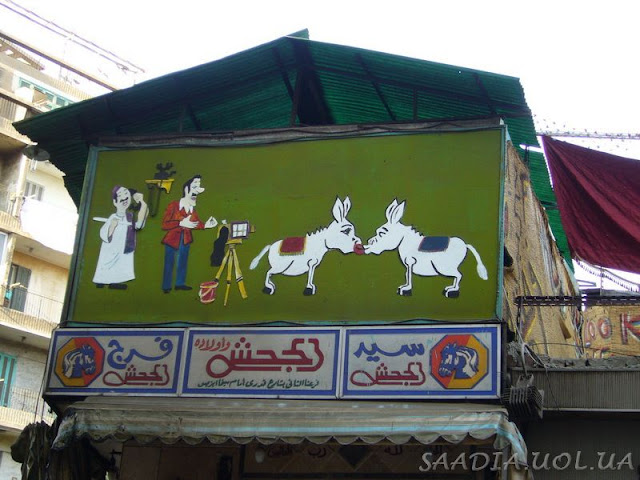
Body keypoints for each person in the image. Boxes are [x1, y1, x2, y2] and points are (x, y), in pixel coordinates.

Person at [161, 175, 218, 293]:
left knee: (182, 261)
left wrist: (206, 225)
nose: (196, 193)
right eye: (194, 187)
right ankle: (166, 286)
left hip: (186, 239)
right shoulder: (174, 205)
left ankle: (180, 283)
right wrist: (180, 222)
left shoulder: (192, 210)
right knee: (169, 262)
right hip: (172, 239)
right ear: (186, 189)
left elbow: (195, 223)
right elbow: (165, 224)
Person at [93, 186, 148, 289]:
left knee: (122, 265)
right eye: (120, 195)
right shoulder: (113, 217)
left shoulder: (130, 217)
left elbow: (139, 225)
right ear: (115, 202)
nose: (124, 197)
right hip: (112, 250)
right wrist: (112, 226)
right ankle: (102, 281)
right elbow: (103, 234)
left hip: (125, 248)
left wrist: (142, 203)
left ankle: (116, 282)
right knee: (107, 266)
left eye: (126, 193)